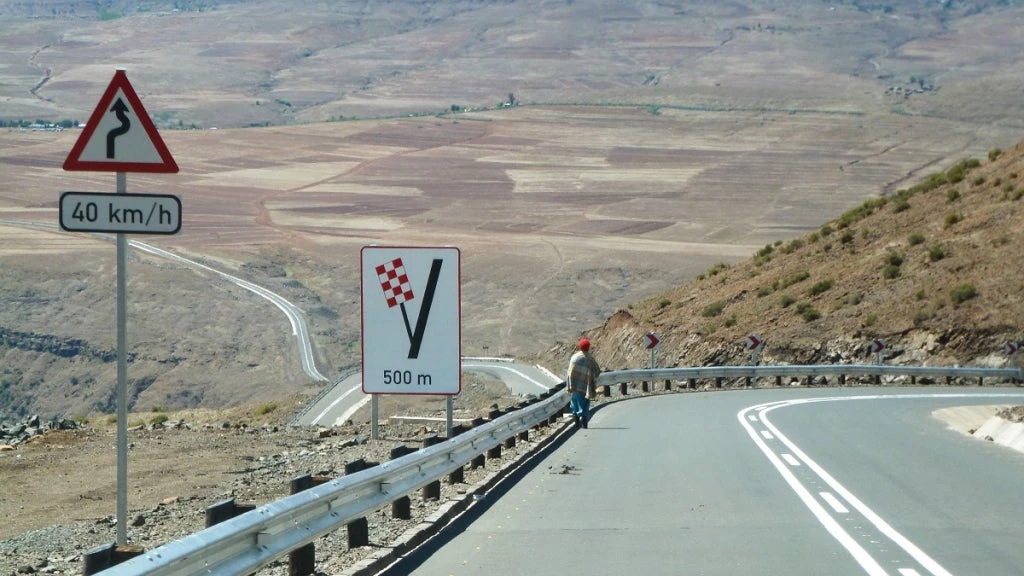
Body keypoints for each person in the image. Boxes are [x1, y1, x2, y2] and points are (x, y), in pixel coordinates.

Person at [566, 337, 601, 428]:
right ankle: (584, 418)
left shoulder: (574, 357)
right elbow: (597, 371)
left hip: (575, 385)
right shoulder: (590, 359)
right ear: (588, 347)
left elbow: (570, 372)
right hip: (586, 386)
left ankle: (576, 419)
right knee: (585, 403)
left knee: (575, 402)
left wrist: (570, 384)